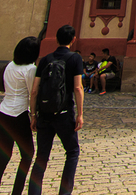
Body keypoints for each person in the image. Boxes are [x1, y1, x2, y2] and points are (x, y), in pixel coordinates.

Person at [28, 25, 84, 195]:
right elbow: (78, 88)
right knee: (72, 151)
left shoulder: (45, 59)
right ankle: (64, 192)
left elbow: (35, 90)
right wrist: (80, 114)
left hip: (44, 114)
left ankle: (33, 192)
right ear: (73, 40)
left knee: (41, 156)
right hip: (64, 113)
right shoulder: (75, 58)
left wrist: (33, 115)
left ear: (57, 39)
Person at [0, 37, 40, 195]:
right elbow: (33, 93)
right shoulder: (31, 69)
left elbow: (0, 90)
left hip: (3, 113)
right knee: (27, 155)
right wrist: (33, 116)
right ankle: (16, 192)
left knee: (2, 159)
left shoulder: (9, 65)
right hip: (19, 115)